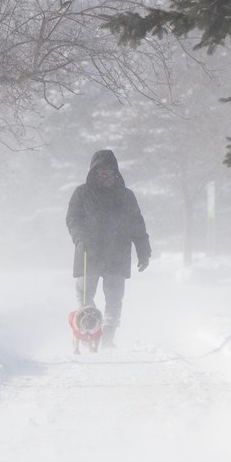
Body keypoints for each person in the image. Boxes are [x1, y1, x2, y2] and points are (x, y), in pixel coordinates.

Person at [65, 149, 151, 348]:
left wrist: (143, 250)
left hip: (117, 253)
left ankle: (108, 335)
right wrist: (80, 238)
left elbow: (137, 224)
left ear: (115, 172)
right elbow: (73, 219)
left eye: (109, 172)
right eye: (101, 172)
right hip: (88, 252)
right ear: (93, 172)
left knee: (114, 298)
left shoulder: (126, 196)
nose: (105, 175)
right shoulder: (81, 193)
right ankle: (90, 329)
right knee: (84, 296)